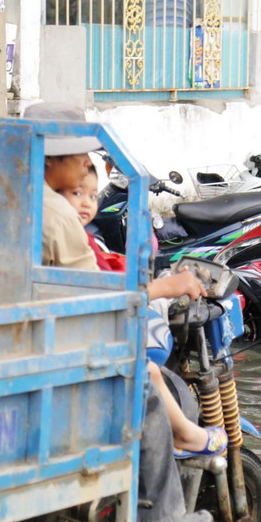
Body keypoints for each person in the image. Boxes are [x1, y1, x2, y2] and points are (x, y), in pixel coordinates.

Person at [25, 102, 215, 522]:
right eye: (78, 158)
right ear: (52, 160)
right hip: (58, 346)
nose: (86, 166)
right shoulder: (55, 213)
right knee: (140, 388)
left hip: (31, 334)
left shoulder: (9, 195)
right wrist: (165, 289)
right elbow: (96, 302)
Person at [60, 166, 228, 459]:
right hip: (88, 338)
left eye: (90, 194)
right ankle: (186, 435)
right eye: (76, 193)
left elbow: (115, 271)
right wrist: (165, 287)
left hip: (88, 327)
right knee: (147, 370)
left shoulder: (85, 238)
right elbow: (104, 291)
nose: (87, 202)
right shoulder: (67, 236)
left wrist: (162, 283)